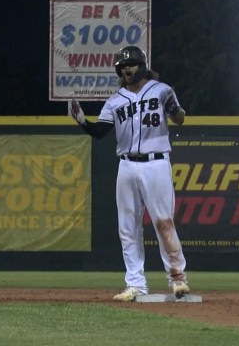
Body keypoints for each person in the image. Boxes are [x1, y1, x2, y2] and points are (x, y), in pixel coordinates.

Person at [68, 45, 190, 301]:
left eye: (131, 64)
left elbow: (179, 118)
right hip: (126, 164)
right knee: (127, 226)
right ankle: (135, 284)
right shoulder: (115, 100)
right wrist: (82, 122)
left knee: (163, 221)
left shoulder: (161, 90)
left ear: (141, 65)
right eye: (122, 66)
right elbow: (101, 132)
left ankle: (178, 279)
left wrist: (175, 110)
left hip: (156, 161)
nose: (126, 69)